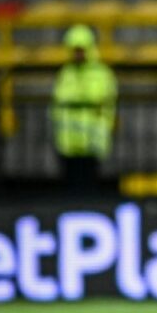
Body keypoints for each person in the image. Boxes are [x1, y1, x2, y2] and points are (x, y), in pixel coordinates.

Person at [51, 24, 117, 192]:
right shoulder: (66, 73)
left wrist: (74, 99)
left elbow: (97, 96)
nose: (77, 54)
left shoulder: (100, 73)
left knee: (90, 187)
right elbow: (59, 98)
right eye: (74, 49)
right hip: (67, 143)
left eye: (80, 49)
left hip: (92, 141)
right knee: (69, 188)